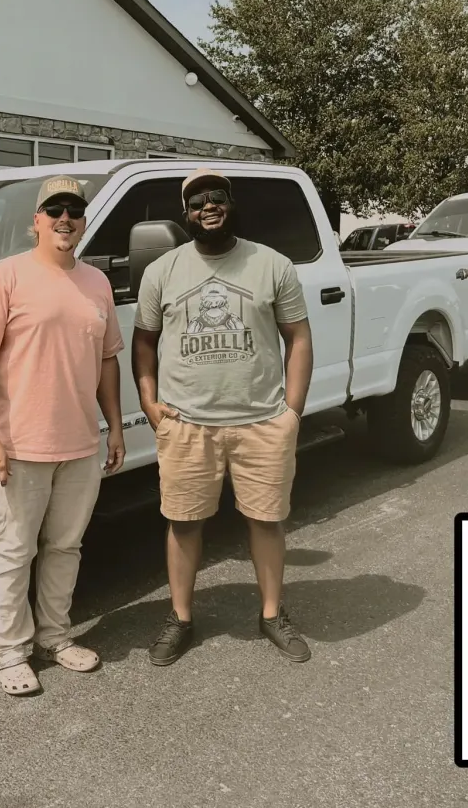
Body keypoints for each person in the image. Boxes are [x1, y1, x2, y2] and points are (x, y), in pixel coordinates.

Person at [131, 167, 314, 666]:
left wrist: (291, 413)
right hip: (187, 422)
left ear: (231, 204)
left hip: (262, 421)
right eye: (196, 200)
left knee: (267, 519)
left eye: (217, 197)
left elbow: (298, 337)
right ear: (185, 213)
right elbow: (143, 342)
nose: (207, 206)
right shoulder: (161, 271)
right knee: (184, 523)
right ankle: (181, 618)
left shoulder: (272, 265)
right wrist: (150, 403)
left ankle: (272, 614)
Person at [0, 174, 126, 697]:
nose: (64, 218)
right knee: (12, 551)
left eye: (74, 210)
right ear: (36, 221)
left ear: (84, 220)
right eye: (53, 209)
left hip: (80, 443)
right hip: (18, 446)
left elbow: (106, 361)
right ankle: (11, 652)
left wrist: (116, 425)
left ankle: (55, 637)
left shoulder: (96, 283)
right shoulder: (3, 277)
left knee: (66, 547)